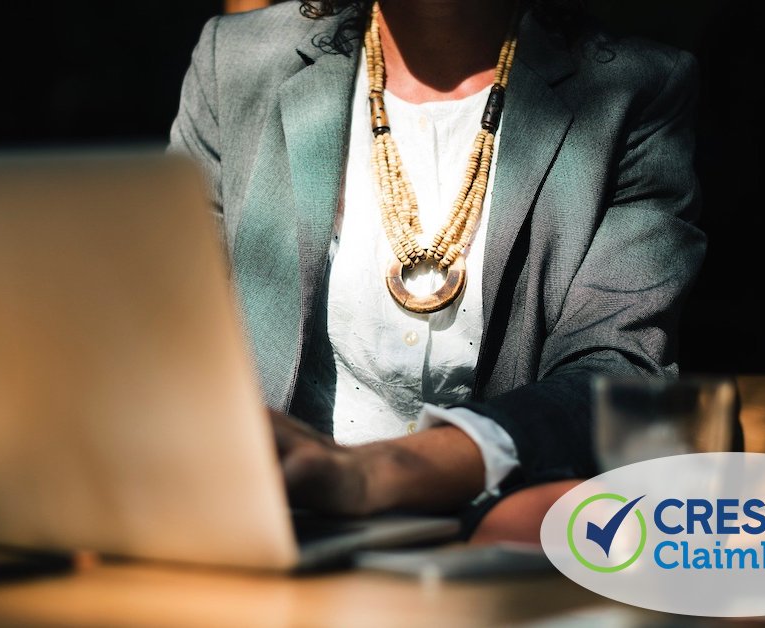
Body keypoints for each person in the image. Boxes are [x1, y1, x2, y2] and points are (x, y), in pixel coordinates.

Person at [169, 0, 704, 533]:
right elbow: (175, 337)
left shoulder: (635, 90)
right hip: (269, 534)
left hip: (502, 543)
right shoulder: (236, 62)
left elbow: (619, 375)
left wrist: (375, 474)